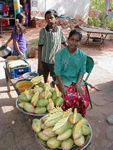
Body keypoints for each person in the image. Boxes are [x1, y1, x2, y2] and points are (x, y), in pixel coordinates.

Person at [54, 29, 89, 116]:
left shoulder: (82, 55)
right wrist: (61, 86)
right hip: (62, 80)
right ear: (68, 39)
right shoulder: (59, 54)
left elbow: (82, 71)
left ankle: (78, 117)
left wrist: (78, 84)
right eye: (72, 39)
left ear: (79, 42)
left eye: (77, 40)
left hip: (77, 80)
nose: (74, 42)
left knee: (81, 96)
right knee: (65, 97)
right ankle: (63, 117)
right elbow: (57, 72)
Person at [38, 9, 67, 84]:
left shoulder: (59, 30)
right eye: (47, 18)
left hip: (55, 62)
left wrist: (73, 51)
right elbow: (40, 47)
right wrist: (39, 63)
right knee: (44, 79)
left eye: (51, 17)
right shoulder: (43, 31)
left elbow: (64, 43)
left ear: (56, 18)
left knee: (57, 80)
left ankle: (56, 91)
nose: (49, 20)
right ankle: (46, 90)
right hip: (44, 61)